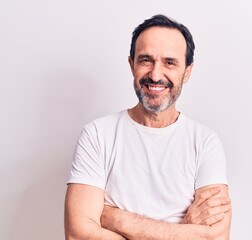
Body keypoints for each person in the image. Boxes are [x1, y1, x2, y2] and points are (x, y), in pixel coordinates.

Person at [64, 14, 232, 240]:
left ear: (187, 72)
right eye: (145, 60)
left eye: (169, 63)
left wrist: (114, 218)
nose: (155, 74)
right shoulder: (97, 135)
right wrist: (184, 232)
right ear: (131, 64)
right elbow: (78, 234)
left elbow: (216, 237)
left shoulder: (205, 142)